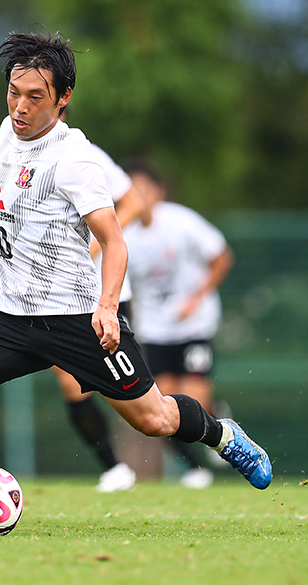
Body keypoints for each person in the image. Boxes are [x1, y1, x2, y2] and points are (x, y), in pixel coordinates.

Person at [0, 30, 272, 527]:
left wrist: (108, 308)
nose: (20, 107)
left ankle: (224, 435)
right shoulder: (13, 129)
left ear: (63, 99)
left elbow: (114, 242)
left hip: (76, 320)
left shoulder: (76, 161)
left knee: (154, 419)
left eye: (35, 98)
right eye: (13, 93)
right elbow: (3, 139)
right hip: (11, 316)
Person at [124, 162, 234, 489]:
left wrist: (197, 298)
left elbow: (221, 256)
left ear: (159, 192)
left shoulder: (181, 221)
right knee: (161, 409)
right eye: (132, 190)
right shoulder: (124, 235)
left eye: (144, 189)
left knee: (194, 402)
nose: (138, 197)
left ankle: (217, 419)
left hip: (193, 328)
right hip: (155, 332)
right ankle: (195, 469)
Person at [50, 143, 142, 493]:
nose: (22, 110)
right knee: (70, 382)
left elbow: (133, 202)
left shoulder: (85, 154)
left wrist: (98, 243)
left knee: (133, 394)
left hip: (103, 292)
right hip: (56, 298)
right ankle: (114, 467)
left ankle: (203, 440)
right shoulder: (14, 156)